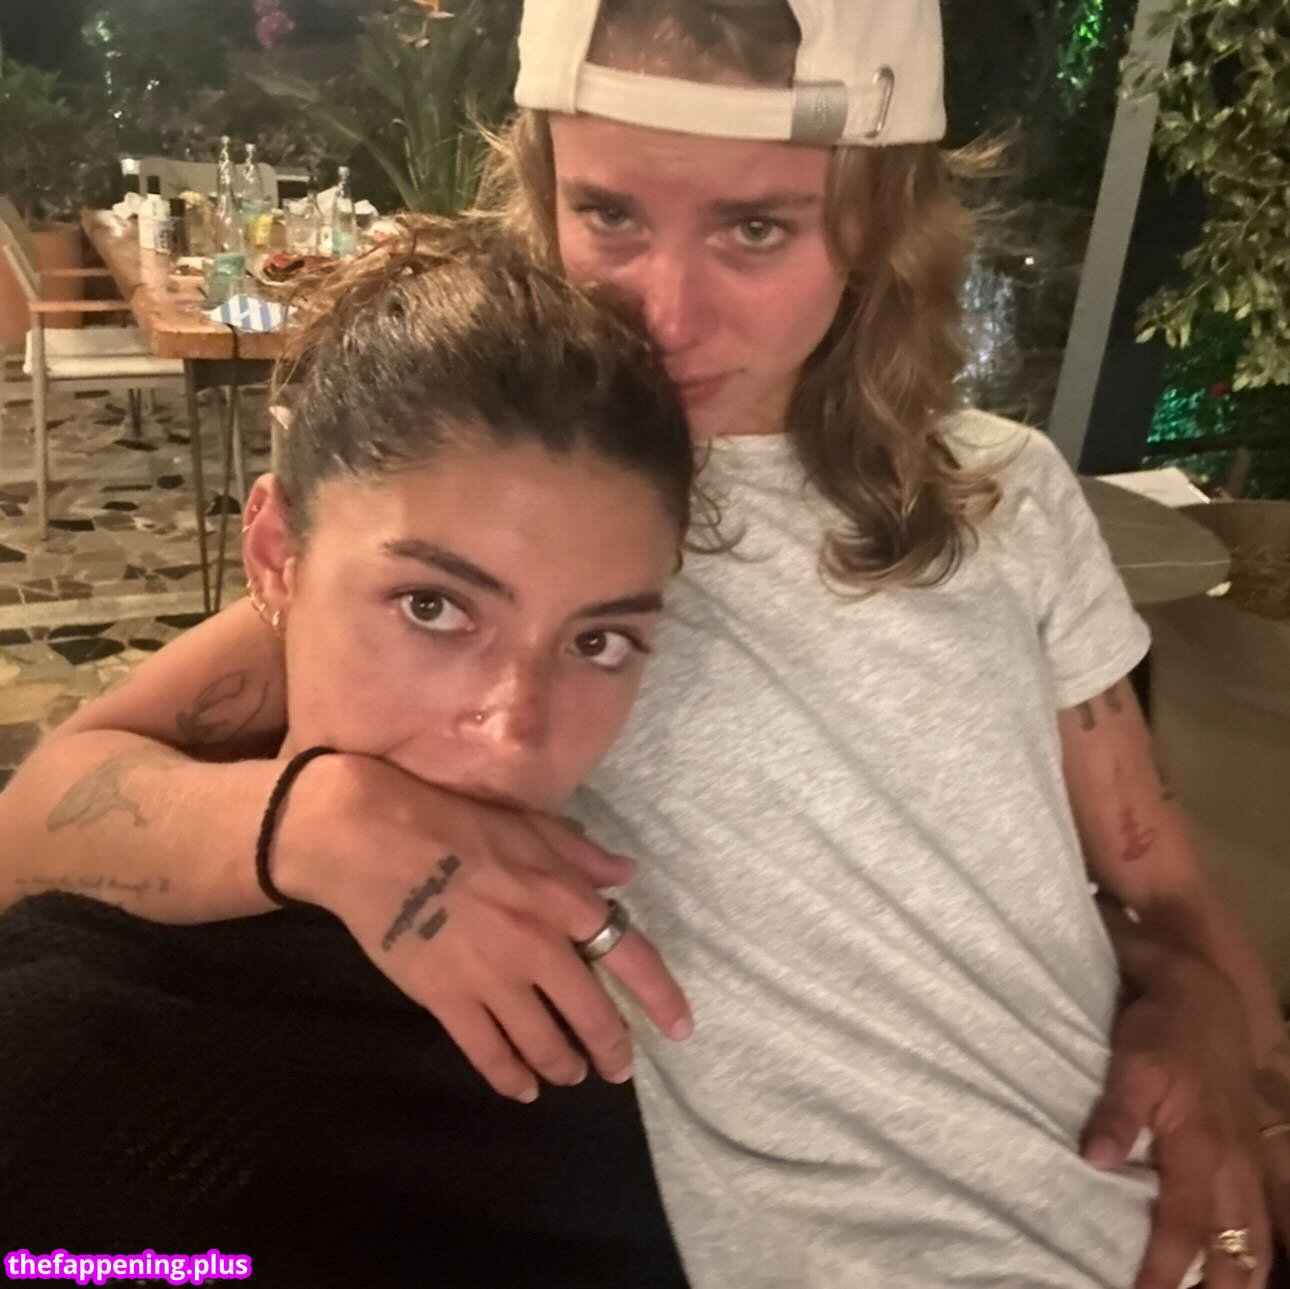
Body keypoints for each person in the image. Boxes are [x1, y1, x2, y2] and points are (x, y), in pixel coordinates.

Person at [1, 0, 1287, 1285]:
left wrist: (1221, 1043)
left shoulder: (1006, 493)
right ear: (543, 184)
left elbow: (1162, 887)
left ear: (875, 218)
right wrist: (321, 821)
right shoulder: (527, 518)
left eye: (755, 228)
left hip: (1151, 1208)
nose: (667, 313)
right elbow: (41, 816)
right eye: (610, 213)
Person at [0, 217, 694, 1288]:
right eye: (433, 606)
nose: (515, 725)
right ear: (274, 555)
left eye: (598, 641)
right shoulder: (78, 1057)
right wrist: (314, 818)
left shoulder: (663, 990)